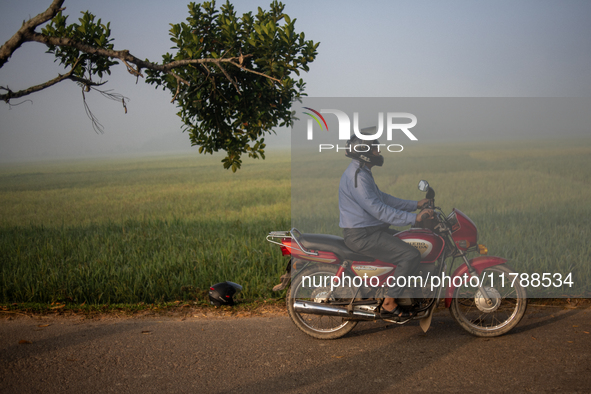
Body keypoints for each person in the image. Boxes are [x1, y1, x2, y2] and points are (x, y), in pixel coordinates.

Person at [338, 134, 433, 319]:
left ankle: (406, 295)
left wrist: (416, 204)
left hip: (371, 230)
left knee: (412, 242)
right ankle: (389, 302)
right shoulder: (357, 177)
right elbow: (379, 210)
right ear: (364, 152)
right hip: (362, 235)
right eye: (375, 148)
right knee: (410, 254)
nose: (378, 151)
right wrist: (415, 219)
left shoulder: (362, 172)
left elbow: (383, 198)